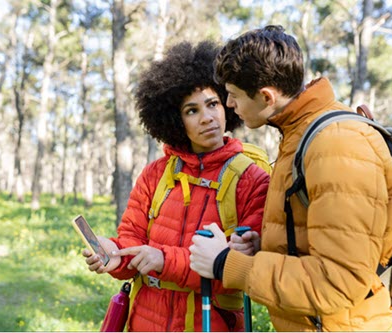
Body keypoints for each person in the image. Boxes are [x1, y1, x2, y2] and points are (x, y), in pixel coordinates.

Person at [189, 25, 392, 331]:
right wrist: (267, 244)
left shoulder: (337, 146)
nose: (230, 105)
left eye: (233, 95)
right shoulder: (302, 134)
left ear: (266, 96)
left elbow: (338, 282)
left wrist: (227, 264)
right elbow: (320, 235)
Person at [81, 40, 270, 332]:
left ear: (227, 104)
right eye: (191, 110)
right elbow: (131, 239)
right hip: (143, 320)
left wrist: (163, 260)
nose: (207, 117)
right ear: (175, 120)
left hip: (210, 323)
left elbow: (238, 267)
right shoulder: (156, 174)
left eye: (213, 104)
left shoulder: (252, 180)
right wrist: (114, 253)